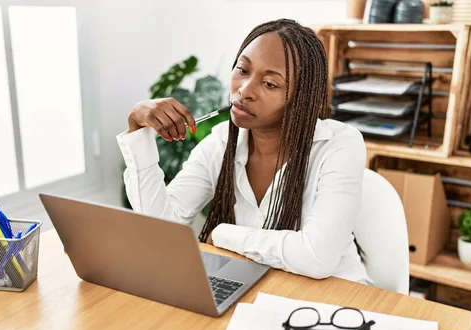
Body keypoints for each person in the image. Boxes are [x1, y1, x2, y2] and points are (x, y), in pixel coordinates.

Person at [117, 18, 371, 284]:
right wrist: (138, 132)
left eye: (270, 84)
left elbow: (316, 257)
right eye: (242, 70)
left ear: (301, 97)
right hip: (262, 290)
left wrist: (224, 234)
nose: (244, 90)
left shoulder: (339, 144)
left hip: (340, 298)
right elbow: (161, 228)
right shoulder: (221, 142)